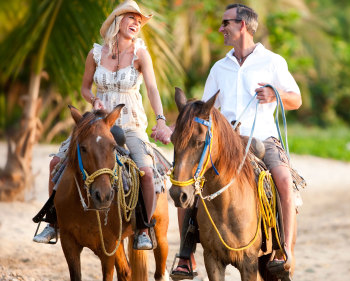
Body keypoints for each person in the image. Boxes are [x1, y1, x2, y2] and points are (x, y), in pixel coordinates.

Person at [171, 3, 301, 279]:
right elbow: (202, 111)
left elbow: (296, 99)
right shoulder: (220, 67)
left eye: (225, 23)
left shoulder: (273, 61)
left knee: (284, 182)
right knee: (188, 183)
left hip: (263, 138)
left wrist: (275, 94)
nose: (221, 29)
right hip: (224, 143)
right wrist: (174, 128)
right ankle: (185, 255)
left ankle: (284, 252)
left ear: (243, 25)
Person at [33, 0, 172, 250]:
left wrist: (160, 119)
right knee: (57, 162)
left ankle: (143, 228)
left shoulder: (141, 53)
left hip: (130, 123)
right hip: (97, 124)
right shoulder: (96, 53)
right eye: (132, 18)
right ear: (117, 21)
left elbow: (151, 88)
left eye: (140, 21)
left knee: (147, 173)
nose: (137, 23)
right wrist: (94, 99)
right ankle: (53, 222)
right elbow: (86, 88)